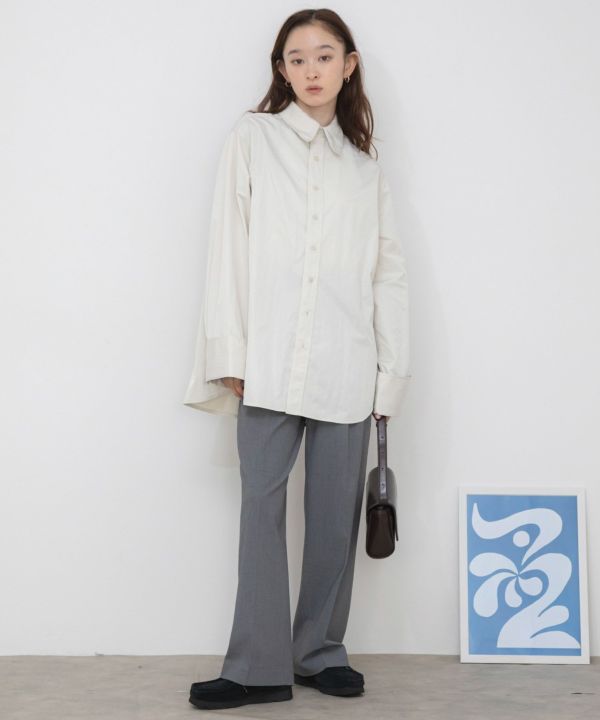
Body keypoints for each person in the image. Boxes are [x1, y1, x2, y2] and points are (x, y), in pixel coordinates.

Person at [184, 8, 411, 712]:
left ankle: (319, 653)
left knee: (334, 518)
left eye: (324, 56)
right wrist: (229, 348)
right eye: (297, 58)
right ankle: (256, 667)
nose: (311, 70)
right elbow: (229, 244)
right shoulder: (252, 138)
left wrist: (391, 374)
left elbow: (387, 273)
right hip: (268, 360)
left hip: (348, 362)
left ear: (349, 65)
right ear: (281, 70)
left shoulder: (364, 166)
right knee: (261, 507)